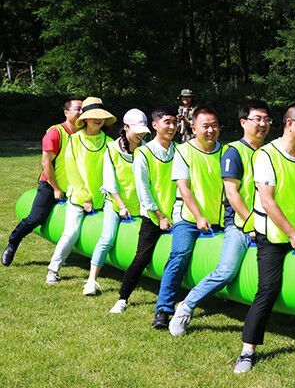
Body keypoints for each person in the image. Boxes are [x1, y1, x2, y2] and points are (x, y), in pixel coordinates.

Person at [232, 102, 295, 373]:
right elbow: (267, 201)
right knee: (268, 289)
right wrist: (291, 234)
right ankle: (248, 350)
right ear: (289, 124)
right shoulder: (266, 155)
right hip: (273, 234)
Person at [168, 100, 272, 336]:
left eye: (266, 119)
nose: (263, 124)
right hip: (240, 224)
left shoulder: (270, 152)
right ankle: (186, 306)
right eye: (257, 119)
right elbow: (232, 194)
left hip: (269, 223)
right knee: (226, 271)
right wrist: (251, 223)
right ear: (243, 122)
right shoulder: (233, 151)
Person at [152, 107, 223, 329]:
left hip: (220, 218)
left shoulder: (226, 151)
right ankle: (163, 309)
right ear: (193, 128)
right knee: (180, 254)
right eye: (205, 126)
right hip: (189, 218)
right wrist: (199, 217)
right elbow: (184, 188)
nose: (210, 130)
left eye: (214, 126)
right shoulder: (183, 151)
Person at [110, 107, 179, 314]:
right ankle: (122, 298)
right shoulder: (143, 153)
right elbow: (143, 189)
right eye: (167, 122)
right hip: (153, 216)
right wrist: (159, 215)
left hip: (178, 213)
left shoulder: (180, 150)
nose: (172, 126)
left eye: (175, 122)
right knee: (142, 257)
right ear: (155, 125)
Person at [3, 96, 82, 266]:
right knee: (36, 218)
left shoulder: (83, 133)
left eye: (83, 109)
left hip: (75, 187)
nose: (81, 113)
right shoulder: (56, 133)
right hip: (50, 185)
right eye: (77, 109)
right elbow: (46, 163)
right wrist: (56, 188)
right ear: (66, 112)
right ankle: (13, 242)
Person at [45, 97, 115, 288]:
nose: (98, 119)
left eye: (101, 116)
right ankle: (53, 269)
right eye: (93, 116)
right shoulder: (74, 140)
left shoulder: (109, 143)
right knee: (71, 233)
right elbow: (72, 171)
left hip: (103, 199)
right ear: (85, 119)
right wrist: (85, 197)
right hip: (78, 198)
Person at [82, 109, 149, 295]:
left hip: (140, 204)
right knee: (107, 238)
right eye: (137, 131)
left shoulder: (146, 149)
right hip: (115, 203)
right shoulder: (111, 149)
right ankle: (91, 280)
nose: (141, 135)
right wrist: (121, 206)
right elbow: (110, 182)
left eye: (143, 131)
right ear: (126, 128)